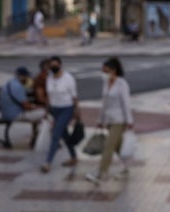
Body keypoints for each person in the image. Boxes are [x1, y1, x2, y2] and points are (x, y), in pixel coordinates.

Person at [85, 57, 134, 185]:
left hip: (119, 120)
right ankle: (126, 166)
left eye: (106, 71)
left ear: (113, 70)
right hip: (109, 120)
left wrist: (129, 121)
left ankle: (102, 173)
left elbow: (126, 103)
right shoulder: (106, 84)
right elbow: (104, 104)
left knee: (109, 146)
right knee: (118, 146)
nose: (104, 74)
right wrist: (100, 119)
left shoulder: (122, 84)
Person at [41, 55, 80, 173]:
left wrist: (77, 111)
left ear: (60, 65)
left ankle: (48, 162)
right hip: (54, 109)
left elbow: (74, 96)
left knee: (56, 134)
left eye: (55, 65)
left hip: (66, 108)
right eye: (51, 65)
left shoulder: (68, 78)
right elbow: (49, 96)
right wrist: (47, 111)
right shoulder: (49, 78)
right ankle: (73, 157)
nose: (53, 67)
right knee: (65, 135)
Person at [0, 66, 46, 146]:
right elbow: (27, 106)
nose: (28, 79)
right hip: (15, 115)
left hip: (6, 113)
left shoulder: (8, 83)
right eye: (27, 77)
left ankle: (37, 137)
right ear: (22, 77)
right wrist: (37, 107)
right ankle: (42, 139)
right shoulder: (18, 87)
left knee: (42, 114)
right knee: (47, 113)